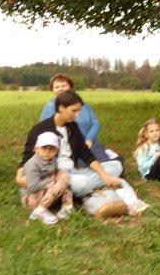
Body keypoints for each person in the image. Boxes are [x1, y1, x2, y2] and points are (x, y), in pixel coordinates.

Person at [19, 90, 146, 218]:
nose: (77, 115)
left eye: (79, 111)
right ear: (61, 108)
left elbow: (86, 154)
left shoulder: (73, 127)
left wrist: (104, 175)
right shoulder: (39, 130)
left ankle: (86, 189)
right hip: (59, 176)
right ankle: (89, 191)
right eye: (74, 111)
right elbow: (27, 162)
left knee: (116, 166)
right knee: (82, 182)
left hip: (75, 171)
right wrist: (26, 179)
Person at [39, 74, 111, 164]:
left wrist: (89, 139)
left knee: (106, 162)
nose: (60, 89)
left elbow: (95, 123)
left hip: (89, 143)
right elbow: (47, 132)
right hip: (67, 148)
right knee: (86, 164)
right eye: (57, 87)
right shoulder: (50, 107)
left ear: (70, 87)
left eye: (63, 86)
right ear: (53, 90)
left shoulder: (84, 106)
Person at [21, 131, 74, 225]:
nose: (47, 152)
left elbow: (56, 174)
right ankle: (40, 210)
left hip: (47, 194)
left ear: (56, 151)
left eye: (51, 149)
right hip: (31, 198)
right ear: (36, 149)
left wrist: (59, 173)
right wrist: (49, 180)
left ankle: (66, 206)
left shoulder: (53, 160)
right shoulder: (32, 164)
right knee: (60, 183)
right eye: (44, 148)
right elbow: (32, 187)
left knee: (64, 176)